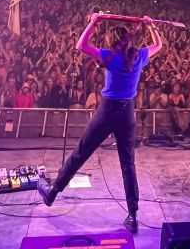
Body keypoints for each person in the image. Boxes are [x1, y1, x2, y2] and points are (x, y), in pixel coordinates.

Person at [38, 14, 163, 234]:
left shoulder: (109, 56)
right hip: (127, 113)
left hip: (107, 111)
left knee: (80, 153)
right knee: (128, 165)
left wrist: (94, 22)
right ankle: (132, 215)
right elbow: (159, 45)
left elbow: (81, 45)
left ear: (113, 42)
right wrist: (150, 25)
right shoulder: (140, 56)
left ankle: (53, 192)